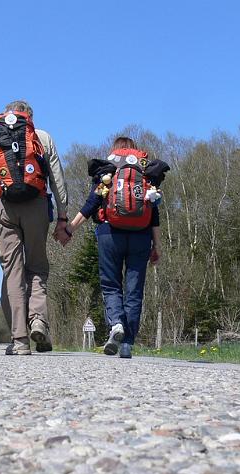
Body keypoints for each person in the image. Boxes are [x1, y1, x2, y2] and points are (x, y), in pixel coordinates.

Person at [0, 100, 70, 355]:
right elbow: (58, 179)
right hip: (37, 205)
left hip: (4, 207)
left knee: (12, 274)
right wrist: (63, 217)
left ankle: (20, 340)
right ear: (31, 117)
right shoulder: (42, 136)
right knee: (37, 266)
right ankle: (38, 319)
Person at [64, 136, 163, 359]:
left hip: (109, 233)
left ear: (115, 151)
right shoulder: (145, 173)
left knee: (111, 285)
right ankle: (127, 343)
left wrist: (69, 229)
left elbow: (92, 203)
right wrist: (157, 246)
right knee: (134, 290)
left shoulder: (107, 170)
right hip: (141, 235)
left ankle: (116, 324)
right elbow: (154, 214)